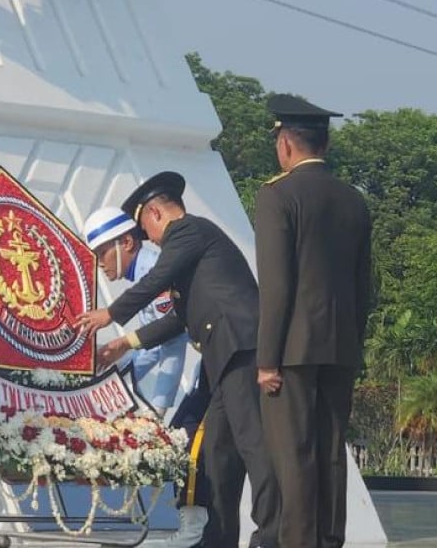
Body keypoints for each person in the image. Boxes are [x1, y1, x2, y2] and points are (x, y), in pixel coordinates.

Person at [77, 173, 280, 548]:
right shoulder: (188, 247)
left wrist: (111, 313)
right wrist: (127, 342)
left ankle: (272, 538)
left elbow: (157, 278)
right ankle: (217, 540)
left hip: (241, 350)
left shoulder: (187, 231)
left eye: (144, 228)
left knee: (255, 447)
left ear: (154, 212)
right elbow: (178, 317)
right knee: (217, 452)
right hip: (223, 359)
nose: (147, 239)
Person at [253, 95, 374, 548]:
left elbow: (277, 284)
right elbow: (363, 287)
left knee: (295, 456)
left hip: (292, 352)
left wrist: (268, 360)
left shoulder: (277, 196)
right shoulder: (354, 201)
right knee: (330, 454)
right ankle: (328, 541)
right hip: (340, 348)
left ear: (286, 144)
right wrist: (352, 346)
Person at [81, 206, 209, 547]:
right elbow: (152, 340)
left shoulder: (154, 268)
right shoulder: (145, 271)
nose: (101, 264)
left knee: (189, 443)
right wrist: (122, 354)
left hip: (216, 363)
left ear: (126, 242)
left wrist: (155, 407)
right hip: (204, 364)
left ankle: (191, 532)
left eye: (102, 253)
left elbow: (172, 339)